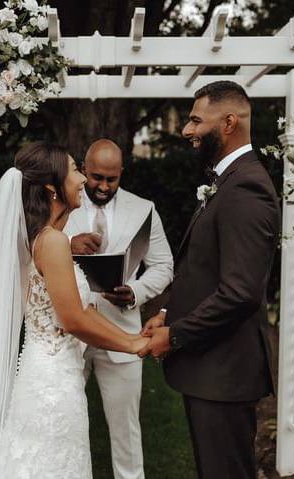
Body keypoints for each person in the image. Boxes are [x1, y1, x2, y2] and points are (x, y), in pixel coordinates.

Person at [0, 142, 150, 479]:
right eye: (75, 170)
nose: (82, 178)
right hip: (51, 387)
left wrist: (133, 337)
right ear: (52, 187)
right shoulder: (53, 242)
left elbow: (80, 309)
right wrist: (133, 345)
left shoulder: (46, 238)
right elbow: (73, 319)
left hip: (52, 376)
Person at [140, 81, 280, 479]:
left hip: (225, 373)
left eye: (196, 120)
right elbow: (205, 270)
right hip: (212, 371)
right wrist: (168, 311)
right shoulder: (228, 180)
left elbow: (240, 293)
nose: (187, 130)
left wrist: (176, 335)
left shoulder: (246, 189)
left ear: (229, 122)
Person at [65, 139, 174, 479]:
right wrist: (68, 246)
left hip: (123, 330)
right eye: (96, 177)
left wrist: (136, 292)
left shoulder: (144, 208)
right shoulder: (62, 203)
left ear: (121, 173)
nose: (103, 186)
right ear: (84, 170)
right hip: (69, 333)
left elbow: (164, 266)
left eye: (112, 179)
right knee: (64, 423)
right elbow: (34, 251)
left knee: (126, 431)